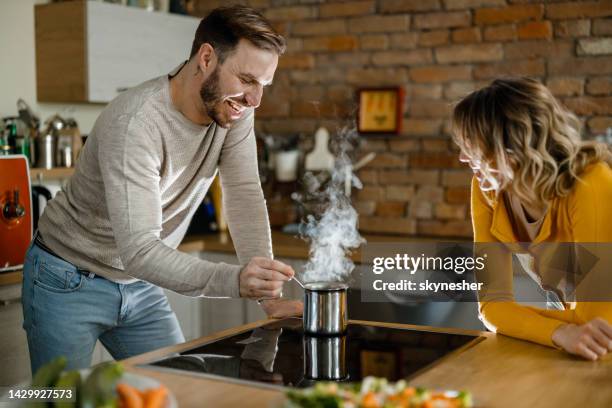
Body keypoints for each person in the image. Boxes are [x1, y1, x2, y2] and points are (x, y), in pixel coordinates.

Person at [22, 5, 302, 373]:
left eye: (264, 85)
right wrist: (234, 280)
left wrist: (268, 294)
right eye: (247, 80)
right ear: (206, 58)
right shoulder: (136, 123)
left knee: (180, 390)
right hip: (66, 278)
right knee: (57, 399)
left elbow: (245, 192)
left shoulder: (235, 113)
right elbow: (139, 248)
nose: (255, 101)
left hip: (138, 283)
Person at [451, 77, 612, 360]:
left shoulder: (591, 182)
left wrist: (523, 321)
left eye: (471, 144)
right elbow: (492, 307)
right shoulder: (488, 189)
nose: (463, 157)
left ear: (510, 144)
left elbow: (598, 320)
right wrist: (559, 332)